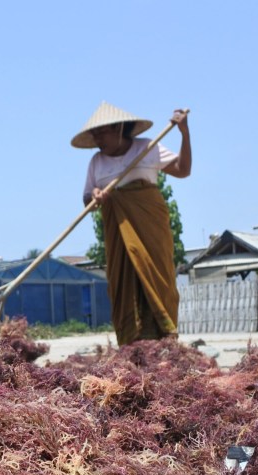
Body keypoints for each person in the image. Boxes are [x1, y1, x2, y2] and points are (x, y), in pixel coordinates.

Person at [73, 101, 191, 345]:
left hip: (150, 228)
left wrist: (184, 133)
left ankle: (165, 339)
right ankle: (132, 346)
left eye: (101, 132)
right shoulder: (97, 162)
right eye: (93, 135)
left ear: (118, 128)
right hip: (118, 232)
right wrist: (95, 195)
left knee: (158, 277)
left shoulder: (147, 148)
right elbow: (87, 200)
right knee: (123, 281)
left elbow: (183, 169)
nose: (97, 139)